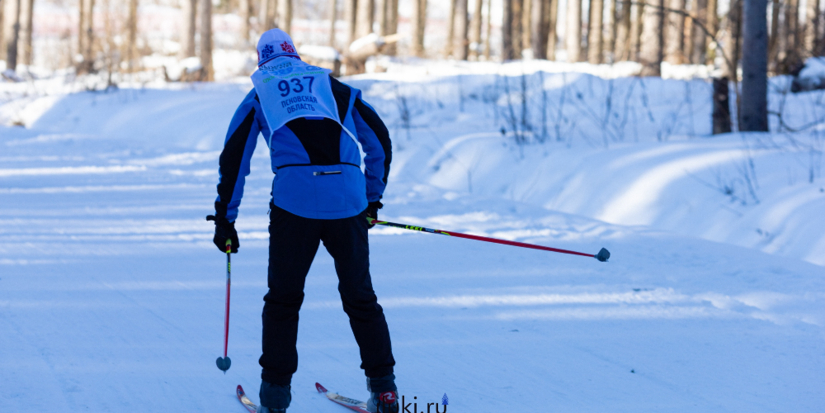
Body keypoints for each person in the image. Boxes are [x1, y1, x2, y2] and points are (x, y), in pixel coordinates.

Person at [206, 29, 398, 413]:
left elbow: (234, 160)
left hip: (295, 208)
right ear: (295, 55)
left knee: (283, 301)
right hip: (347, 202)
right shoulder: (332, 85)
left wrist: (225, 220)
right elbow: (379, 142)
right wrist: (372, 199)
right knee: (361, 299)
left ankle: (275, 398)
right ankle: (385, 392)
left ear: (262, 61)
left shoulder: (260, 91)